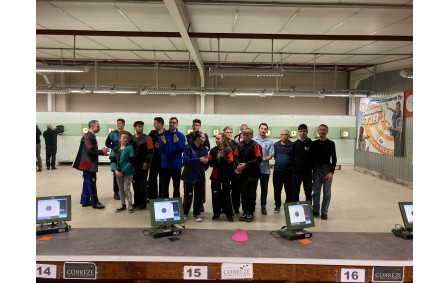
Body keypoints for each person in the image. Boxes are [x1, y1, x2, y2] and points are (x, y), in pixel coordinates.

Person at [73, 120, 110, 209]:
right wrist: (102, 151)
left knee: (87, 182)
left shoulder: (90, 136)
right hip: (88, 164)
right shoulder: (88, 137)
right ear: (92, 127)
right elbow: (90, 150)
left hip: (88, 163)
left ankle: (85, 201)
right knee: (91, 182)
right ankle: (95, 202)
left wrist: (101, 152)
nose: (99, 128)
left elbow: (91, 149)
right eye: (98, 126)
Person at [234, 128, 262, 222]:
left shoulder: (255, 145)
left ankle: (251, 212)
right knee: (244, 194)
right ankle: (245, 211)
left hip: (253, 174)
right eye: (244, 135)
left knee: (251, 194)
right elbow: (236, 156)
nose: (245, 137)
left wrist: (246, 164)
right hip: (243, 174)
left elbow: (258, 159)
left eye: (247, 135)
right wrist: (239, 165)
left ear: (251, 135)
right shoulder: (240, 145)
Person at [181, 131, 209, 222]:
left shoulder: (204, 148)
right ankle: (185, 213)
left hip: (200, 175)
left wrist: (205, 162)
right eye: (203, 137)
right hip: (189, 174)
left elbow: (205, 162)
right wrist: (198, 160)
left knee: (198, 196)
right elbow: (185, 160)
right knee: (188, 195)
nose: (204, 139)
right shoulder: (188, 147)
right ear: (197, 138)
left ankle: (196, 214)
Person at [312, 124, 337, 220]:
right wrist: (312, 171)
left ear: (327, 131)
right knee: (316, 192)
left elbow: (334, 159)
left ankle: (324, 212)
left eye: (324, 130)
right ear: (318, 131)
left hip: (327, 170)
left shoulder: (331, 143)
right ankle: (315, 210)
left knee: (327, 193)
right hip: (317, 170)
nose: (322, 131)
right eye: (320, 130)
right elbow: (312, 159)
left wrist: (331, 172)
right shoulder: (314, 144)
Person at [208, 133, 234, 222]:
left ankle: (229, 214)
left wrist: (222, 159)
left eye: (218, 138)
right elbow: (210, 163)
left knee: (226, 194)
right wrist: (217, 160)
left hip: (226, 176)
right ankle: (216, 213)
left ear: (223, 139)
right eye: (216, 138)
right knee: (215, 194)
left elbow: (230, 164)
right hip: (215, 176)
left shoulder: (228, 150)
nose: (216, 140)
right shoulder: (213, 150)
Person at [186, 119, 210, 212]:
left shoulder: (204, 136)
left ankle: (200, 204)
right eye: (194, 125)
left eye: (197, 125)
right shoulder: (188, 136)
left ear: (200, 126)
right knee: (188, 191)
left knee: (200, 188)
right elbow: (186, 152)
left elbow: (207, 147)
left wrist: (204, 163)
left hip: (200, 166)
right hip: (190, 166)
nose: (195, 126)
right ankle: (186, 209)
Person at [159, 117, 186, 198]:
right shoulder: (163, 135)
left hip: (176, 166)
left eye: (174, 122)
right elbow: (161, 150)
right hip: (165, 165)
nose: (172, 124)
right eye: (170, 122)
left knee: (176, 187)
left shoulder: (181, 136)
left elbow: (182, 150)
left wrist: (177, 142)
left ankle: (176, 206)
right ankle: (165, 206)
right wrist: (163, 144)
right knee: (164, 187)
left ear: (177, 124)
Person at [110, 131, 136, 213]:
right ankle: (123, 204)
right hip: (118, 173)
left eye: (126, 138)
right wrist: (115, 170)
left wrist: (123, 171)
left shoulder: (130, 148)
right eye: (123, 138)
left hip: (128, 172)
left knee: (126, 189)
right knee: (121, 189)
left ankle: (130, 205)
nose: (125, 139)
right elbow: (112, 160)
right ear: (119, 139)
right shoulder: (115, 149)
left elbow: (131, 161)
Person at [252, 123, 274, 215]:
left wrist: (264, 159)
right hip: (254, 169)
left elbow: (271, 154)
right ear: (258, 129)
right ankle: (252, 205)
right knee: (253, 188)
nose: (263, 130)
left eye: (265, 129)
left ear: (267, 131)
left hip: (265, 170)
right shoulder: (253, 140)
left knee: (264, 189)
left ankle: (263, 206)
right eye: (262, 128)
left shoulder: (269, 142)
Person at [131, 121, 154, 209]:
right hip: (134, 165)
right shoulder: (131, 139)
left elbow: (151, 152)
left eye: (141, 126)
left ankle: (143, 202)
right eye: (138, 126)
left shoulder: (147, 138)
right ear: (135, 127)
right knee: (134, 183)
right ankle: (137, 201)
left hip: (143, 164)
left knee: (143, 183)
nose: (140, 128)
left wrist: (146, 162)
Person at [291, 124, 315, 202]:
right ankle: (296, 210)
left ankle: (308, 211)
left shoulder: (312, 144)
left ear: (307, 132)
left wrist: (313, 171)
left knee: (308, 193)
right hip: (296, 174)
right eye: (300, 131)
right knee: (295, 193)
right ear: (298, 132)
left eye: (304, 131)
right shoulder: (294, 144)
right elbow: (292, 158)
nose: (302, 133)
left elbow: (313, 159)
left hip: (307, 174)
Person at [105, 118, 128, 200]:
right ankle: (116, 192)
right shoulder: (113, 134)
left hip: (124, 156)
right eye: (117, 123)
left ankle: (123, 191)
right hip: (114, 156)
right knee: (115, 173)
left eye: (120, 123)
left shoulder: (126, 134)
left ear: (124, 124)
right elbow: (107, 143)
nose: (118, 124)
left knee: (124, 173)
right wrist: (114, 148)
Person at [272, 129, 293, 213]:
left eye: (286, 134)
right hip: (277, 171)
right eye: (282, 134)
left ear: (288, 135)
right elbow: (275, 155)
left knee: (289, 190)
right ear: (280, 135)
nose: (284, 136)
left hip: (289, 172)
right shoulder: (276, 145)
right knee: (277, 189)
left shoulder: (292, 145)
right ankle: (277, 205)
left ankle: (288, 205)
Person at [147, 117, 166, 200]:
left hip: (164, 160)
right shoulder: (152, 133)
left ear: (160, 123)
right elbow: (148, 144)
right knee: (152, 179)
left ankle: (162, 197)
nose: (153, 124)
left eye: (155, 123)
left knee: (163, 179)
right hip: (154, 160)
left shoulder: (167, 133)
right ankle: (153, 197)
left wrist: (161, 146)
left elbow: (169, 146)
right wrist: (154, 147)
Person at [224, 126, 241, 214]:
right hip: (225, 171)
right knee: (225, 190)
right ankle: (225, 207)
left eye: (230, 132)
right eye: (227, 132)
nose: (229, 134)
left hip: (234, 171)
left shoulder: (236, 144)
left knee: (236, 190)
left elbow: (237, 157)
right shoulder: (222, 143)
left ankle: (236, 207)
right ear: (224, 133)